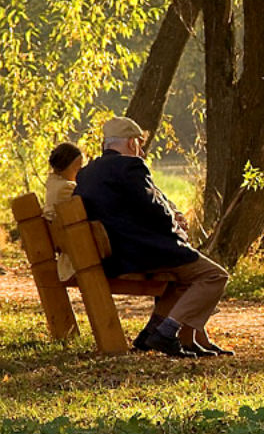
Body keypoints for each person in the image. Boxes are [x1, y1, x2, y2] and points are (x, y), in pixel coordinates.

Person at [74, 116, 231, 358]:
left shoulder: (86, 173)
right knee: (215, 275)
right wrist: (175, 224)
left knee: (184, 279)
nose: (140, 148)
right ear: (130, 143)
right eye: (138, 142)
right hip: (143, 252)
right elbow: (154, 209)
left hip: (112, 253)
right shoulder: (131, 166)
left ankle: (157, 334)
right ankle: (167, 333)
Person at [43, 142, 83, 282]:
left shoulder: (54, 185)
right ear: (64, 167)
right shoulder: (66, 189)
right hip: (74, 253)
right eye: (77, 168)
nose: (80, 171)